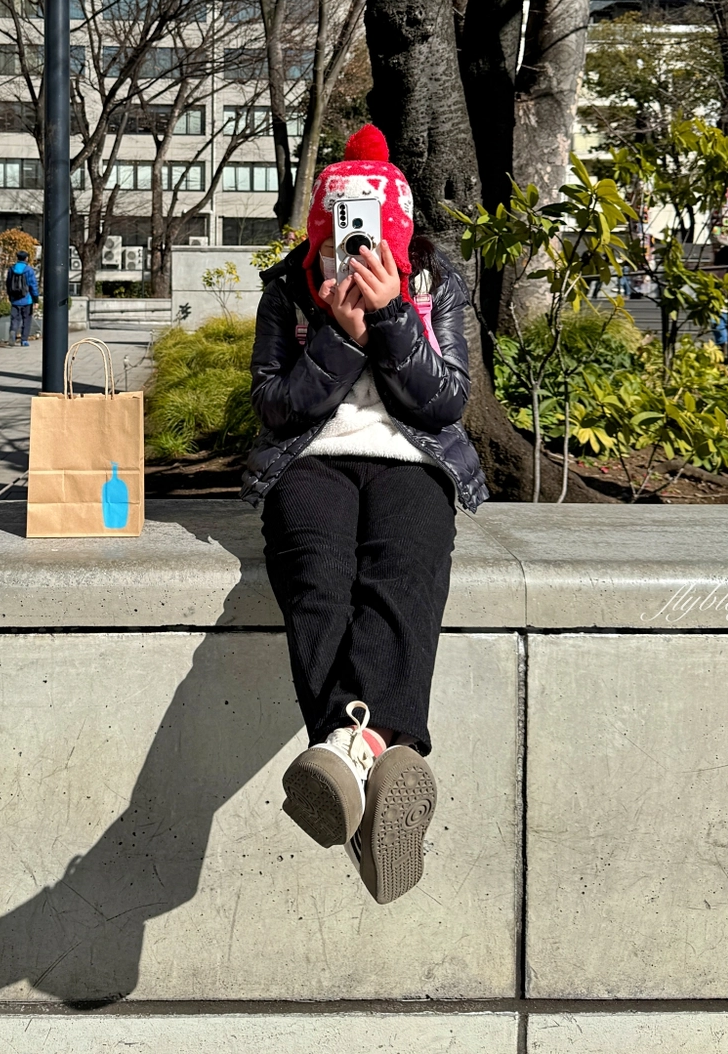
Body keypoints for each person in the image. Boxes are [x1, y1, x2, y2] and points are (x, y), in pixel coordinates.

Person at [242, 125, 488, 905]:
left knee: (403, 576)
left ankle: (346, 755)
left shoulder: (434, 281)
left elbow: (446, 400)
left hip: (414, 458)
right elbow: (277, 408)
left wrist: (388, 321)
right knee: (318, 576)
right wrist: (341, 341)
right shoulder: (288, 289)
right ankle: (389, 749)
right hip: (309, 458)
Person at [6, 250, 40, 346]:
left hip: (14, 299)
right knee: (27, 319)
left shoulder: (11, 269)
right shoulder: (29, 270)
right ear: (26, 258)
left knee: (14, 319)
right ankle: (24, 340)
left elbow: (8, 284)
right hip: (27, 299)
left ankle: (13, 331)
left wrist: (10, 296)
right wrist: (35, 299)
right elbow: (33, 285)